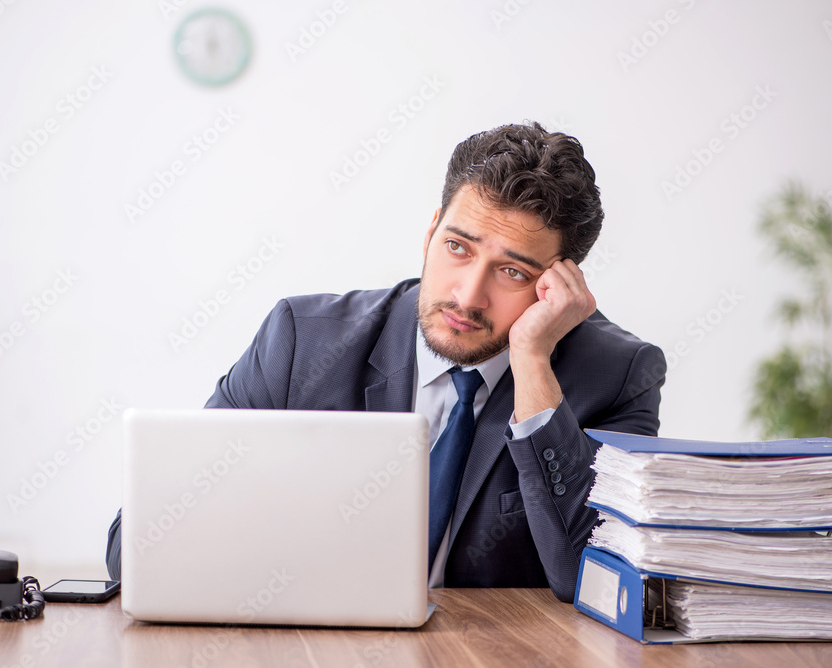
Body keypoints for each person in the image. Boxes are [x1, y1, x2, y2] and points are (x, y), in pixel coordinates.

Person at [106, 122, 666, 602]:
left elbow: (592, 581)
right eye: (457, 248)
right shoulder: (301, 342)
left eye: (513, 272)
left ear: (557, 286)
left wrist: (533, 365)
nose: (468, 296)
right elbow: (133, 550)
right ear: (430, 233)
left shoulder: (618, 377)